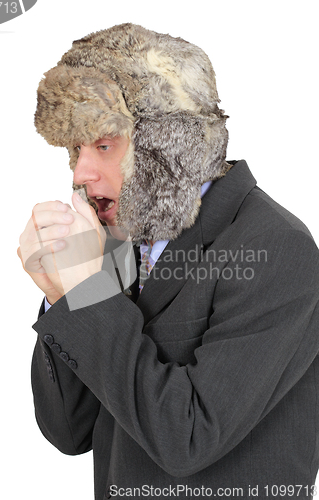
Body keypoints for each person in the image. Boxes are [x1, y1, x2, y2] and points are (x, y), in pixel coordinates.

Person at [18, 24, 319, 499]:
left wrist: (83, 292)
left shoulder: (276, 246)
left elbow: (188, 439)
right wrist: (64, 291)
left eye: (102, 145)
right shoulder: (117, 242)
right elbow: (69, 432)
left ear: (165, 147)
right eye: (76, 149)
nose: (79, 172)